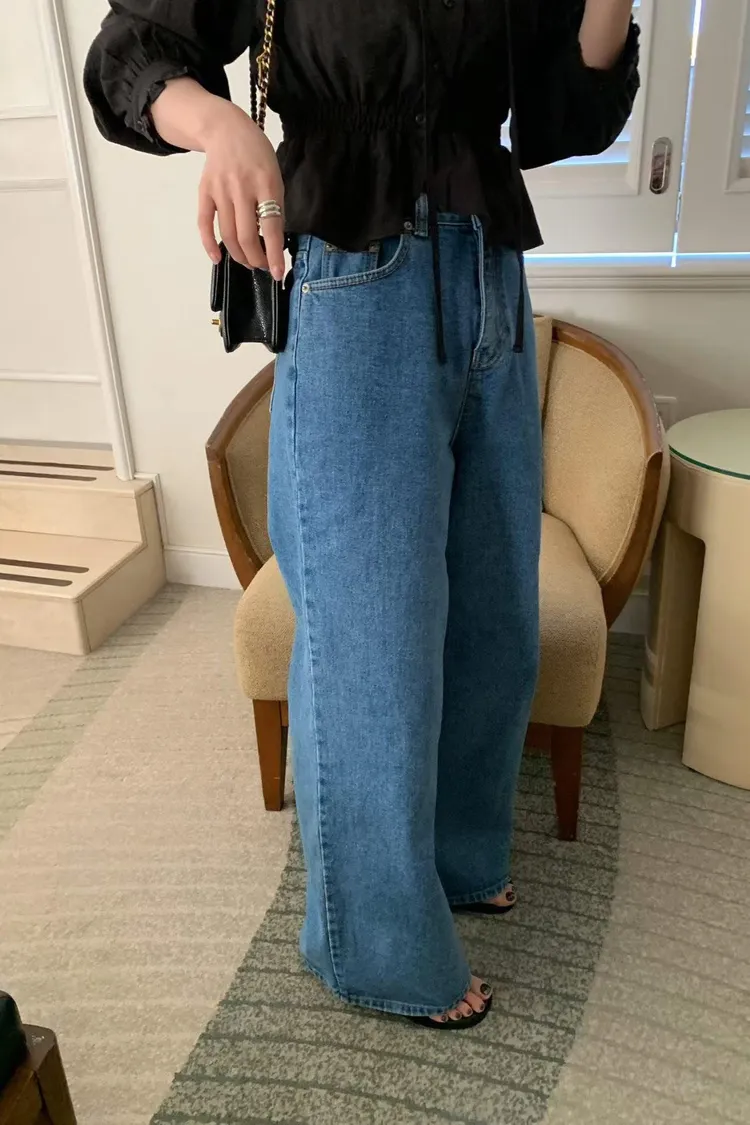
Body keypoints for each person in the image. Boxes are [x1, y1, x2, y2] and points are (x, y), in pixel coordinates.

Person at [84, 0, 639, 1030]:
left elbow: (564, 114)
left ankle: (458, 858)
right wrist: (221, 124)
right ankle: (372, 947)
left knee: (493, 616)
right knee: (373, 635)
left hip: (491, 270)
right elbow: (131, 51)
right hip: (355, 270)